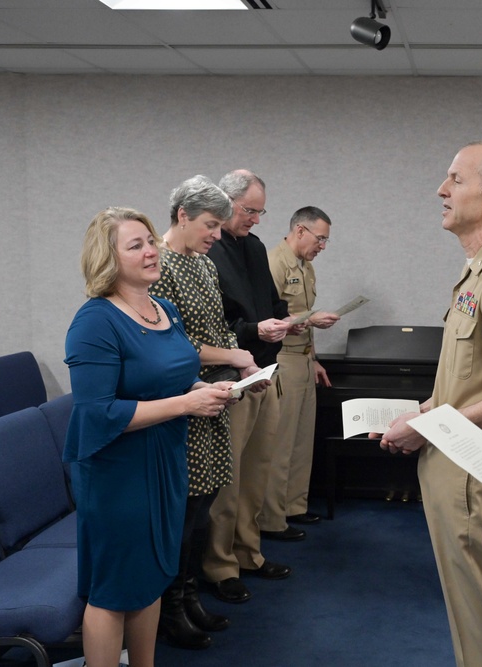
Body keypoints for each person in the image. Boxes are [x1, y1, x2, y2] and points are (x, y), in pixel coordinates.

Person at [375, 141, 482, 667]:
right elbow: (466, 382)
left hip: (476, 482)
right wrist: (419, 416)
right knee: (473, 624)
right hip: (455, 474)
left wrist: (429, 429)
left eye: (455, 179)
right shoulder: (479, 270)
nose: (441, 189)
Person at [64, 207, 234, 667]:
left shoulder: (166, 309)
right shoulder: (95, 321)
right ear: (108, 258)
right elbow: (97, 413)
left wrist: (203, 389)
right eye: (134, 245)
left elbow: (172, 378)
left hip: (165, 457)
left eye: (151, 240)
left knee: (153, 573)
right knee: (113, 587)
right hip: (116, 470)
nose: (150, 250)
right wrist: (186, 404)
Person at [150, 176, 268, 649]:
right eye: (210, 225)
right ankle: (169, 608)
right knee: (182, 513)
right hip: (182, 404)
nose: (217, 235)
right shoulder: (159, 267)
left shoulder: (200, 264)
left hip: (215, 398)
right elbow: (170, 347)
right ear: (181, 215)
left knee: (202, 510)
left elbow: (217, 327)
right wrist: (233, 357)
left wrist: (239, 368)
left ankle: (189, 593)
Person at [203, 169, 304, 605]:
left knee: (257, 471)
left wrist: (284, 320)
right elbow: (214, 324)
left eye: (261, 212)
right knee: (229, 480)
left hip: (265, 371)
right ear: (225, 202)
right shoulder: (209, 252)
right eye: (250, 211)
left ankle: (249, 552)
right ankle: (219, 565)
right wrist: (252, 330)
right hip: (230, 378)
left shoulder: (254, 246)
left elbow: (267, 300)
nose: (256, 220)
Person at [267, 206, 340, 527]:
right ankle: (271, 519)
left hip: (302, 360)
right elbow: (267, 319)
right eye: (320, 239)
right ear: (299, 230)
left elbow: (302, 316)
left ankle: (293, 507)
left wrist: (314, 360)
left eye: (325, 241)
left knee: (300, 441)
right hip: (281, 360)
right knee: (280, 444)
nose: (322, 247)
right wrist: (310, 319)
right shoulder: (274, 264)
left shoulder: (306, 267)